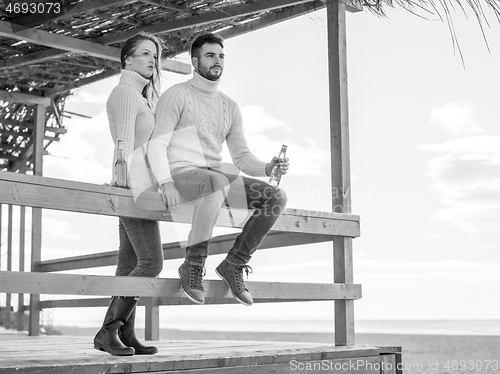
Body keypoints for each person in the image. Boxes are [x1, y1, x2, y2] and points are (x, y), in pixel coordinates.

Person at [147, 33, 289, 307]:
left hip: (215, 180)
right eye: (211, 55)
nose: (218, 61)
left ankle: (234, 264)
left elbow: (242, 157)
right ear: (194, 61)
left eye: (221, 56)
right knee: (216, 180)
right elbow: (157, 145)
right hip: (181, 173)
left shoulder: (230, 107)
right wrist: (165, 182)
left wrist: (268, 166)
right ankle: (193, 264)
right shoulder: (176, 95)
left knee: (276, 197)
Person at [93, 32, 164, 356]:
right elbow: (121, 142)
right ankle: (108, 332)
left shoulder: (143, 97)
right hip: (132, 189)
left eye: (155, 55)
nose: (153, 59)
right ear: (127, 59)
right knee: (151, 262)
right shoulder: (124, 93)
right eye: (146, 53)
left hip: (143, 188)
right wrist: (124, 187)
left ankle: (126, 334)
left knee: (129, 264)